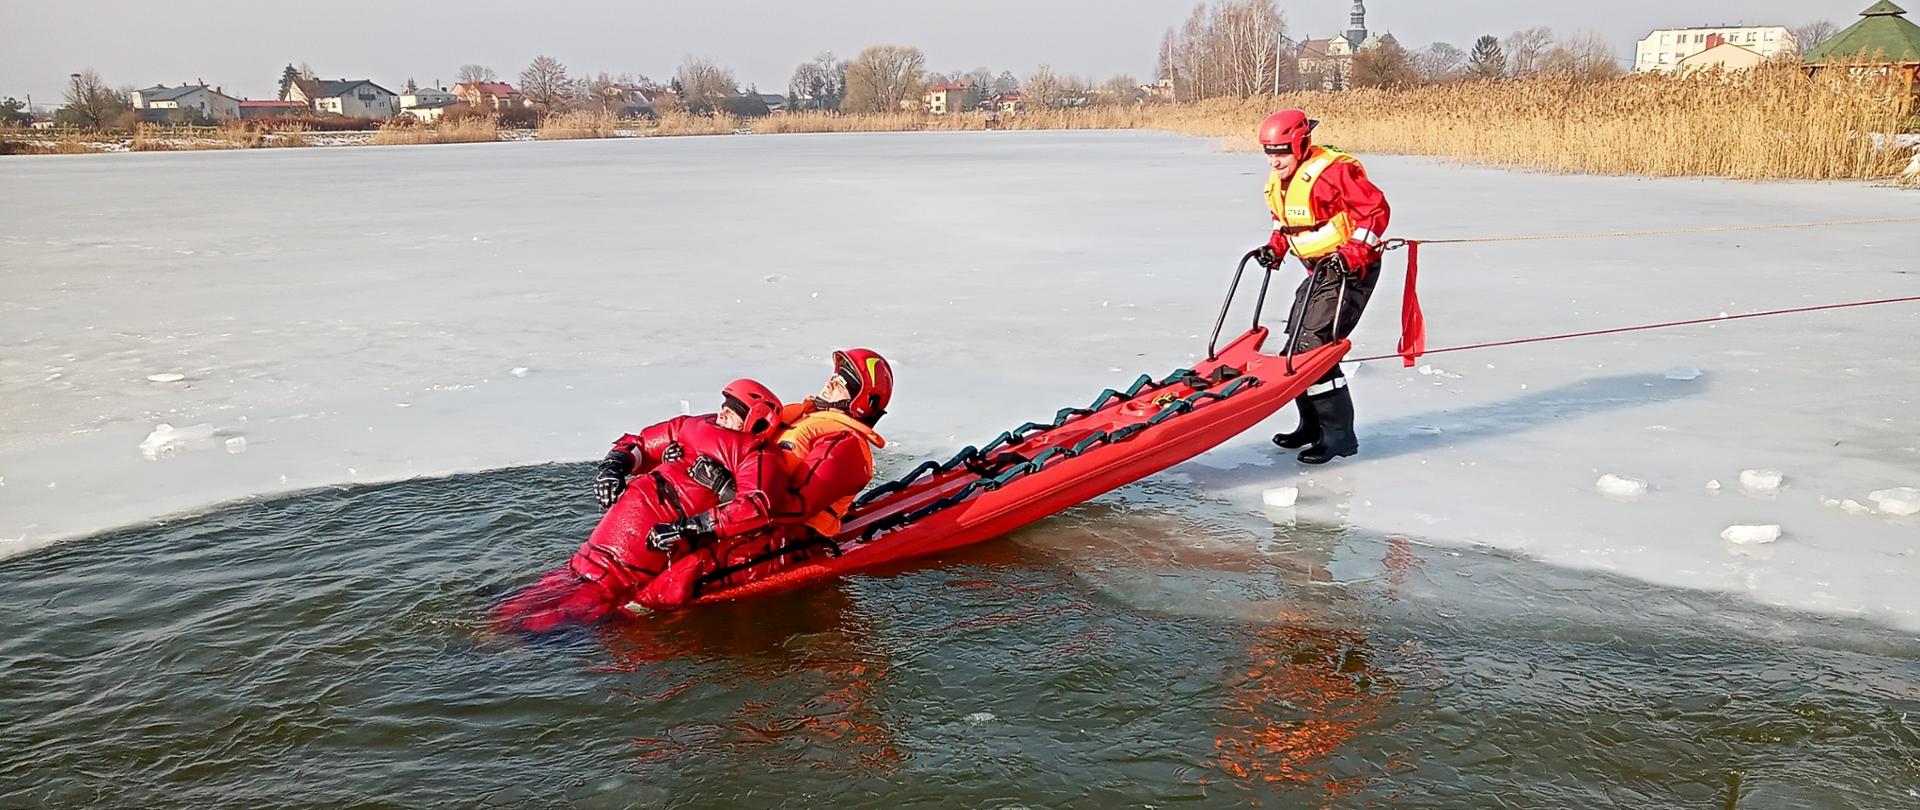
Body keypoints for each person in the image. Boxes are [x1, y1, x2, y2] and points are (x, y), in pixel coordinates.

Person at [492, 379, 785, 632]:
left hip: (642, 550)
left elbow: (756, 505)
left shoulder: (756, 455)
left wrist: (692, 523)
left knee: (589, 597)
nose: (723, 411)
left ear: (757, 420)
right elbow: (639, 443)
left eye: (734, 410)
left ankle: (513, 651)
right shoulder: (693, 426)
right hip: (607, 539)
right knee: (568, 578)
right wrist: (614, 467)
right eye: (725, 404)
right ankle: (496, 629)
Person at [1251, 109, 1391, 464]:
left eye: (1281, 152)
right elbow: (1287, 223)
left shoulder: (1334, 172)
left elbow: (1375, 212)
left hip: (1350, 269)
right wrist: (1275, 248)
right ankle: (1311, 426)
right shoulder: (1281, 180)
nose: (1275, 160)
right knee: (1297, 345)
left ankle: (1339, 435)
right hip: (1319, 270)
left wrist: (1355, 252)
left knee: (1315, 348)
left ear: (1299, 144)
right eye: (1269, 152)